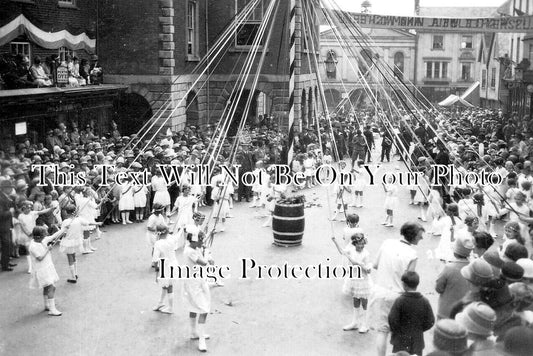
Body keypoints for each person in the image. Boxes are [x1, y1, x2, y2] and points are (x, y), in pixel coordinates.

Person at [370, 222, 424, 356]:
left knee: (382, 331)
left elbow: (375, 265)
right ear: (412, 236)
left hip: (380, 291)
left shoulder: (387, 243)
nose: (421, 238)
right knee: (400, 333)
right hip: (399, 296)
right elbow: (408, 280)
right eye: (419, 236)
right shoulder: (412, 254)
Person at [332, 232, 372, 333]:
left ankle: (365, 324)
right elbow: (342, 252)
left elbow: (368, 270)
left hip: (363, 280)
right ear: (354, 244)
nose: (361, 245)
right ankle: (355, 322)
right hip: (353, 278)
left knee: (364, 301)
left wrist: (361, 265)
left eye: (363, 243)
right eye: (359, 243)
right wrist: (335, 241)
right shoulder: (351, 250)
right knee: (355, 300)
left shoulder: (366, 254)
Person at [388, 271, 435, 356]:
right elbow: (430, 321)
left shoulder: (399, 300)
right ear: (417, 284)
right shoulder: (424, 301)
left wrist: (397, 331)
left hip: (400, 340)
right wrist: (420, 329)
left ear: (404, 285)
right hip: (417, 340)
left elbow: (392, 319)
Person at [183, 230, 213, 352]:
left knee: (193, 307)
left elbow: (203, 250)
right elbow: (204, 262)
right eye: (200, 240)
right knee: (204, 309)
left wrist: (205, 248)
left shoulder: (194, 247)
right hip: (193, 284)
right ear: (194, 240)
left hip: (199, 281)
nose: (202, 241)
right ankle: (201, 340)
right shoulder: (190, 251)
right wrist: (208, 254)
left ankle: (194, 332)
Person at [28, 226, 66, 316]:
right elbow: (40, 258)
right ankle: (52, 309)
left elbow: (53, 236)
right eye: (44, 235)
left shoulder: (42, 240)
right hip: (41, 270)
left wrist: (63, 229)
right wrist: (48, 250)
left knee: (46, 287)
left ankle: (47, 305)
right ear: (38, 236)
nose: (45, 236)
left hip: (47, 267)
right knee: (52, 287)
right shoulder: (32, 246)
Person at [435, 235, 474, 319]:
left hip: (446, 312)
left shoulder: (448, 267)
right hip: (464, 313)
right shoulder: (473, 267)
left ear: (455, 252)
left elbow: (439, 288)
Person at [152, 225, 179, 314]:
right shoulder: (171, 238)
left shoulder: (158, 243)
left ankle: (170, 308)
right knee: (165, 285)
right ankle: (160, 303)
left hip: (165, 266)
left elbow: (155, 260)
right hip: (173, 263)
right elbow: (177, 237)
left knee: (169, 286)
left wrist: (156, 271)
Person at [0, 179, 15, 271]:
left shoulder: (6, 197)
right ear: (4, 188)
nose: (11, 189)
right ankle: (5, 265)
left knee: (8, 244)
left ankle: (6, 261)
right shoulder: (1, 198)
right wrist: (10, 212)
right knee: (6, 244)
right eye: (9, 187)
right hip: (2, 225)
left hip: (6, 224)